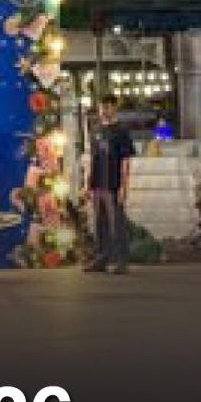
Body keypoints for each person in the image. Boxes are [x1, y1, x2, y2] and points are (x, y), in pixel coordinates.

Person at [84, 95, 136, 274]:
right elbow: (92, 158)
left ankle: (122, 261)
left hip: (113, 184)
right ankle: (102, 258)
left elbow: (126, 161)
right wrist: (87, 184)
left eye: (107, 107)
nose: (104, 111)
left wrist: (123, 186)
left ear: (114, 108)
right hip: (98, 184)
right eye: (102, 107)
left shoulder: (122, 131)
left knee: (117, 223)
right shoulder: (96, 130)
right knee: (100, 222)